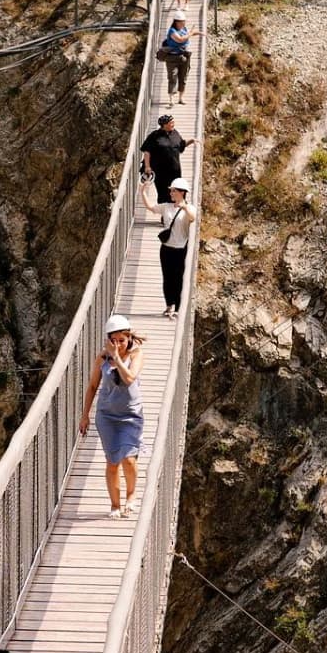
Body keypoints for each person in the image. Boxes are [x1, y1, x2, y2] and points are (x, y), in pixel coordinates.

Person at [78, 315, 146, 518]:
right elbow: (92, 387)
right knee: (113, 461)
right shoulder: (102, 358)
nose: (118, 344)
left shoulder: (136, 355)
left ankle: (131, 495)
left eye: (121, 340)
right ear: (108, 340)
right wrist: (85, 415)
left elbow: (129, 378)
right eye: (113, 341)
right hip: (106, 415)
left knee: (129, 459)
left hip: (131, 415)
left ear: (129, 338)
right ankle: (115, 505)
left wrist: (116, 358)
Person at [140, 176, 196, 319]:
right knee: (167, 277)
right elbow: (151, 207)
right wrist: (143, 192)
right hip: (166, 248)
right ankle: (169, 305)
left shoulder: (189, 208)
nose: (171, 193)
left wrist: (183, 206)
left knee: (178, 278)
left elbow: (193, 217)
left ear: (182, 192)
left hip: (181, 248)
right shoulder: (166, 207)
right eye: (171, 191)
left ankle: (178, 307)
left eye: (174, 191)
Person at [141, 114, 197, 204]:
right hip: (160, 171)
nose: (173, 124)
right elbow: (147, 152)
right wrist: (147, 166)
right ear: (164, 125)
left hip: (175, 169)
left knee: (178, 190)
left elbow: (181, 145)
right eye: (171, 122)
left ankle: (178, 212)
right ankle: (165, 215)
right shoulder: (154, 136)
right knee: (163, 193)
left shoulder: (175, 133)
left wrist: (191, 141)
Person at [163, 10, 202, 107]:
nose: (183, 23)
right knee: (172, 76)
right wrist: (191, 33)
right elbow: (180, 40)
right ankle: (171, 99)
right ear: (176, 22)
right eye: (181, 21)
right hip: (172, 57)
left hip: (184, 56)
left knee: (183, 77)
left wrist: (201, 33)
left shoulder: (184, 29)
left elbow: (190, 34)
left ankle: (181, 98)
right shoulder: (172, 31)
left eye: (184, 21)